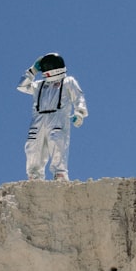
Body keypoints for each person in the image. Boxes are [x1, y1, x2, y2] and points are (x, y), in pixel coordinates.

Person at [17, 53, 87, 181]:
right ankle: (34, 175)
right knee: (32, 146)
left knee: (57, 142)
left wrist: (80, 113)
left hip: (57, 118)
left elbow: (79, 98)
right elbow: (22, 86)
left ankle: (60, 174)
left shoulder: (67, 82)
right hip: (38, 119)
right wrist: (32, 70)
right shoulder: (39, 85)